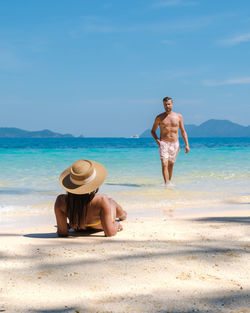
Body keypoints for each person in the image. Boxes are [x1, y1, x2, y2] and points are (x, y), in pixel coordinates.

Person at [54, 159, 127, 237]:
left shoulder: (60, 201)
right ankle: (123, 215)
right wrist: (116, 224)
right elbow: (110, 233)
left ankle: (123, 214)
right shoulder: (101, 200)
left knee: (108, 201)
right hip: (99, 225)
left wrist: (65, 226)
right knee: (111, 201)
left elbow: (62, 233)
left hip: (78, 226)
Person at [151, 96, 190, 186]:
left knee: (171, 165)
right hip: (164, 143)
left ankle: (169, 182)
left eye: (169, 104)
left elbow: (183, 131)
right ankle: (167, 184)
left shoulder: (178, 116)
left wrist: (187, 145)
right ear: (163, 105)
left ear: (172, 104)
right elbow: (152, 131)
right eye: (165, 104)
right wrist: (158, 141)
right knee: (164, 164)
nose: (167, 106)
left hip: (175, 144)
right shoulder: (159, 117)